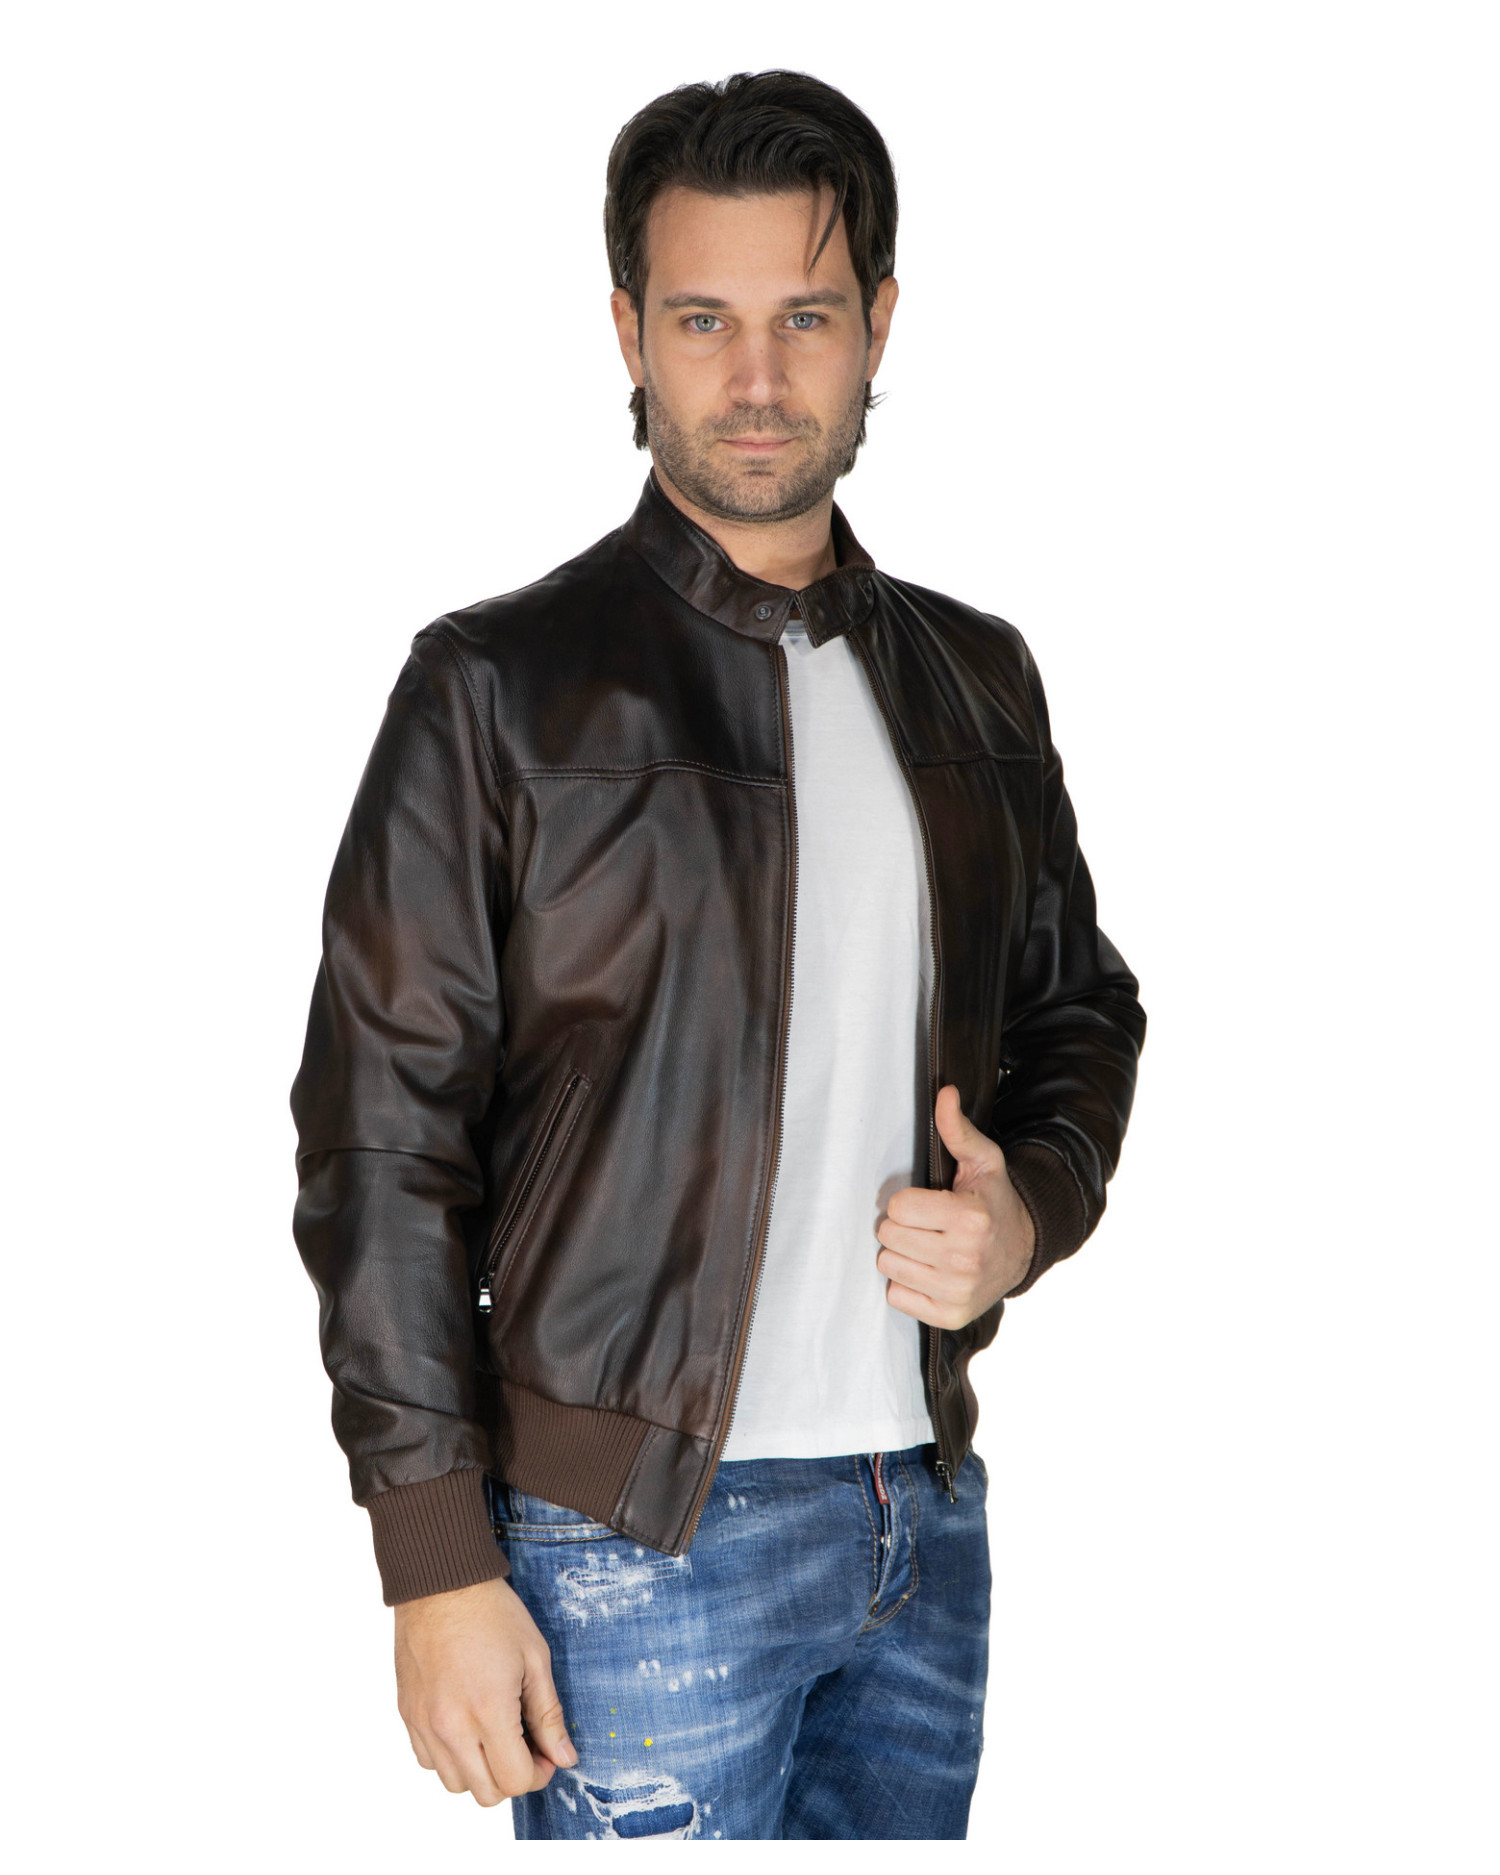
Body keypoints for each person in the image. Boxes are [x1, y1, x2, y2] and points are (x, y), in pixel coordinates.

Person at [290, 68, 1145, 1842]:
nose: (757, 380)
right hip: (625, 1546)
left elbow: (1079, 1004)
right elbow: (381, 1138)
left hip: (918, 1516)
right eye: (703, 320)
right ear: (629, 331)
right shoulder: (497, 691)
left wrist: (1028, 1213)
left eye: (804, 318)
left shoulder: (976, 679)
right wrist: (433, 1558)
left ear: (879, 323)